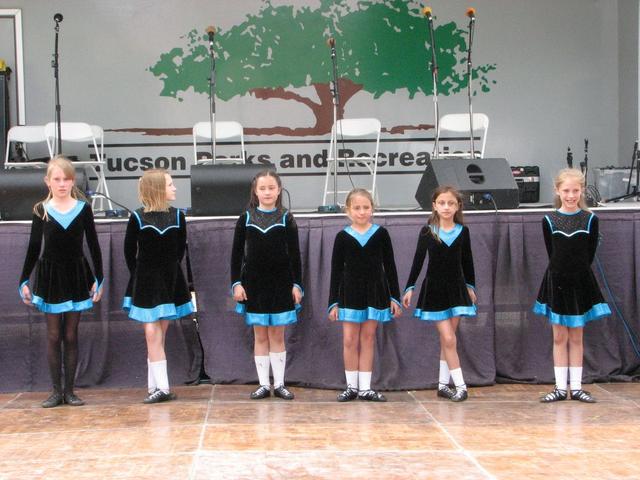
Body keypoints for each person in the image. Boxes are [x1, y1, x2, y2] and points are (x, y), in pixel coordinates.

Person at [19, 156, 103, 408]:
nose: (62, 183)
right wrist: (23, 278)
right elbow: (34, 247)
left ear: (72, 181)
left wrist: (98, 278)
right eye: (57, 179)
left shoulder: (83, 208)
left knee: (71, 335)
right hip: (51, 276)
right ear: (48, 182)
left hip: (76, 273)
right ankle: (56, 392)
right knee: (54, 335)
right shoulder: (40, 210)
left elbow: (93, 245)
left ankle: (70, 391)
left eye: (66, 179)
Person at [533, 168, 611, 403]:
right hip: (557, 282)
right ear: (557, 190)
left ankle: (576, 387)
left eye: (575, 190)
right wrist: (560, 274)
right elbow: (552, 252)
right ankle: (559, 387)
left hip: (580, 282)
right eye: (566, 190)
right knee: (559, 337)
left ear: (582, 191)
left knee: (577, 336)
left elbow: (588, 254)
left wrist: (578, 274)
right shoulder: (548, 220)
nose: (570, 195)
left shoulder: (590, 219)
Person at [123, 169, 194, 404]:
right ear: (157, 189)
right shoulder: (137, 217)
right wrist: (141, 275)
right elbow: (128, 252)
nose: (174, 188)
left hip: (170, 279)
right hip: (146, 281)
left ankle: (153, 384)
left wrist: (170, 270)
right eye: (170, 184)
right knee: (151, 333)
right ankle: (163, 388)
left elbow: (180, 250)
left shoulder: (177, 216)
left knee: (160, 334)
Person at [231, 170, 302, 400]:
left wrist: (297, 285)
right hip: (254, 284)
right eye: (262, 188)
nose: (267, 192)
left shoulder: (286, 217)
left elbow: (295, 255)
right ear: (255, 191)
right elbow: (236, 254)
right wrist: (236, 283)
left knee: (277, 336)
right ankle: (263, 384)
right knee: (260, 335)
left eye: (271, 188)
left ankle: (279, 384)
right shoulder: (246, 218)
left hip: (281, 283)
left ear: (279, 190)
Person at [402, 185, 476, 402]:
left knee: (448, 340)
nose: (446, 207)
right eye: (442, 203)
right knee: (449, 338)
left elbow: (467, 262)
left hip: (457, 290)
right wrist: (409, 288)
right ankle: (461, 386)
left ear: (457, 206)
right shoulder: (428, 231)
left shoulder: (463, 231)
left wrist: (471, 286)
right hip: (434, 291)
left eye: (451, 203)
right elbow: (417, 261)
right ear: (434, 205)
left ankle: (443, 385)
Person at [328, 188, 401, 402]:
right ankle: (351, 387)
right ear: (348, 211)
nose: (362, 212)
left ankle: (365, 388)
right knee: (350, 339)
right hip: (349, 294)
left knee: (368, 339)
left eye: (366, 207)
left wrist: (394, 297)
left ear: (372, 209)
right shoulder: (342, 236)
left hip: (375, 293)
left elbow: (390, 266)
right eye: (357, 208)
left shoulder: (381, 234)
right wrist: (333, 302)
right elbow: (336, 271)